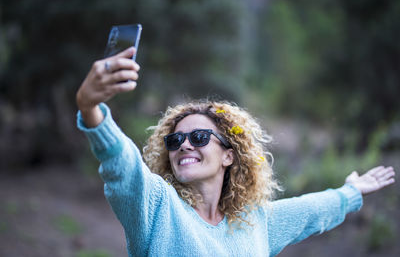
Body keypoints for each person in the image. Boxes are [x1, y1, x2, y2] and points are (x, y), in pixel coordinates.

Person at [76, 47, 396, 257]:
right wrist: (91, 108)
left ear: (229, 155)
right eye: (175, 141)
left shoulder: (254, 221)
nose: (184, 144)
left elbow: (309, 211)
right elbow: (122, 164)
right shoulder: (156, 206)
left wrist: (352, 192)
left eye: (199, 137)